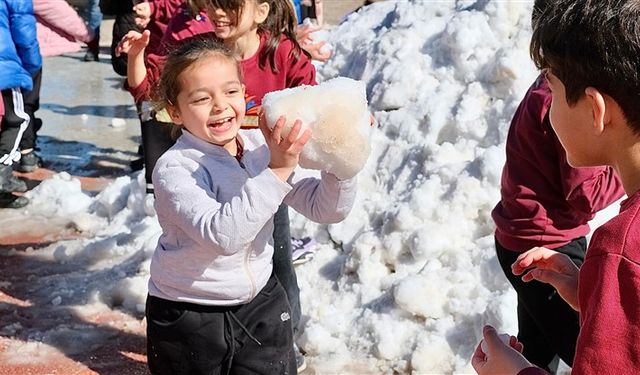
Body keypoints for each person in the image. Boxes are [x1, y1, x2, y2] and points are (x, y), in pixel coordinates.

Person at [145, 36, 358, 375]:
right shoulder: (176, 169)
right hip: (189, 313)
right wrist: (277, 170)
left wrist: (342, 159)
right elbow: (223, 236)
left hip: (261, 302)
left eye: (230, 92)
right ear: (175, 110)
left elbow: (325, 209)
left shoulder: (258, 147)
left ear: (244, 92)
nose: (220, 106)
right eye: (201, 98)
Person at [473, 0, 640, 374]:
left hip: (535, 236)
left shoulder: (620, 253)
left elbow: (584, 196)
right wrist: (592, 295)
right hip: (540, 240)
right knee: (540, 333)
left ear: (595, 110)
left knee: (569, 340)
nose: (545, 107)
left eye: (551, 86)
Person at [0, 0, 42, 208]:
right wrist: (31, 67)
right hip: (4, 68)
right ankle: (1, 176)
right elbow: (24, 32)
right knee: (15, 120)